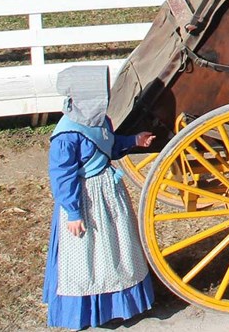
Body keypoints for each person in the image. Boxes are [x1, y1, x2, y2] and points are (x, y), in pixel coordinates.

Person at [43, 66, 157, 331]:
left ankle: (118, 305)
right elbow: (62, 177)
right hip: (86, 200)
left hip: (108, 193)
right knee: (86, 255)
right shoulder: (67, 135)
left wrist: (134, 140)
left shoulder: (100, 121)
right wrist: (73, 213)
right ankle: (86, 311)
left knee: (116, 248)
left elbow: (110, 145)